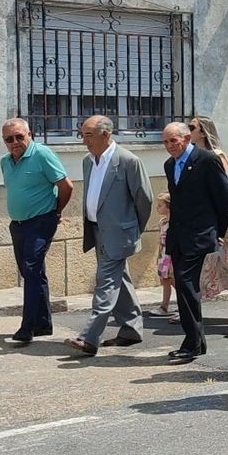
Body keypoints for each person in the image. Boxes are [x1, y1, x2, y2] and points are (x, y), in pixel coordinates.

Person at [65, 116, 154, 357]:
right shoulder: (87, 161)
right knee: (118, 279)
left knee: (105, 282)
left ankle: (89, 337)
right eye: (82, 135)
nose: (84, 140)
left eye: (88, 135)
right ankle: (132, 328)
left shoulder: (128, 161)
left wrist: (132, 229)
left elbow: (144, 199)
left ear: (106, 134)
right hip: (97, 230)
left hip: (119, 233)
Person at [161, 121, 228, 362]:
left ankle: (192, 342)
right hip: (179, 235)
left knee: (186, 283)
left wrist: (217, 231)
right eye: (165, 142)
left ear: (186, 138)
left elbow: (223, 199)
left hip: (200, 234)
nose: (170, 146)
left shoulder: (207, 160)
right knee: (182, 285)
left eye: (173, 140)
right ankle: (196, 341)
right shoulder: (170, 165)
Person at [0, 118, 73, 343]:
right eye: (9, 139)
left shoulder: (42, 154)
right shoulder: (5, 162)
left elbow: (66, 185)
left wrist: (57, 212)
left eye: (19, 137)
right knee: (31, 272)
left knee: (31, 269)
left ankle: (27, 327)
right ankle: (42, 323)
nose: (15, 142)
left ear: (29, 134)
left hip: (41, 221)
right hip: (18, 224)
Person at [189, 116, 228, 332]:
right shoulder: (191, 154)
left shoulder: (217, 156)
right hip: (199, 217)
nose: (188, 130)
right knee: (201, 263)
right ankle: (191, 308)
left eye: (192, 127)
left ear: (203, 131)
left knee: (227, 263)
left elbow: (221, 189)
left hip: (218, 216)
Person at [152, 192, 175, 316]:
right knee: (165, 280)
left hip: (172, 255)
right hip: (164, 255)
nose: (157, 208)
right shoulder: (162, 222)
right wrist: (159, 256)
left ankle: (184, 304)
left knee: (175, 281)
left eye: (160, 205)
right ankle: (164, 306)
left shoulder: (175, 222)